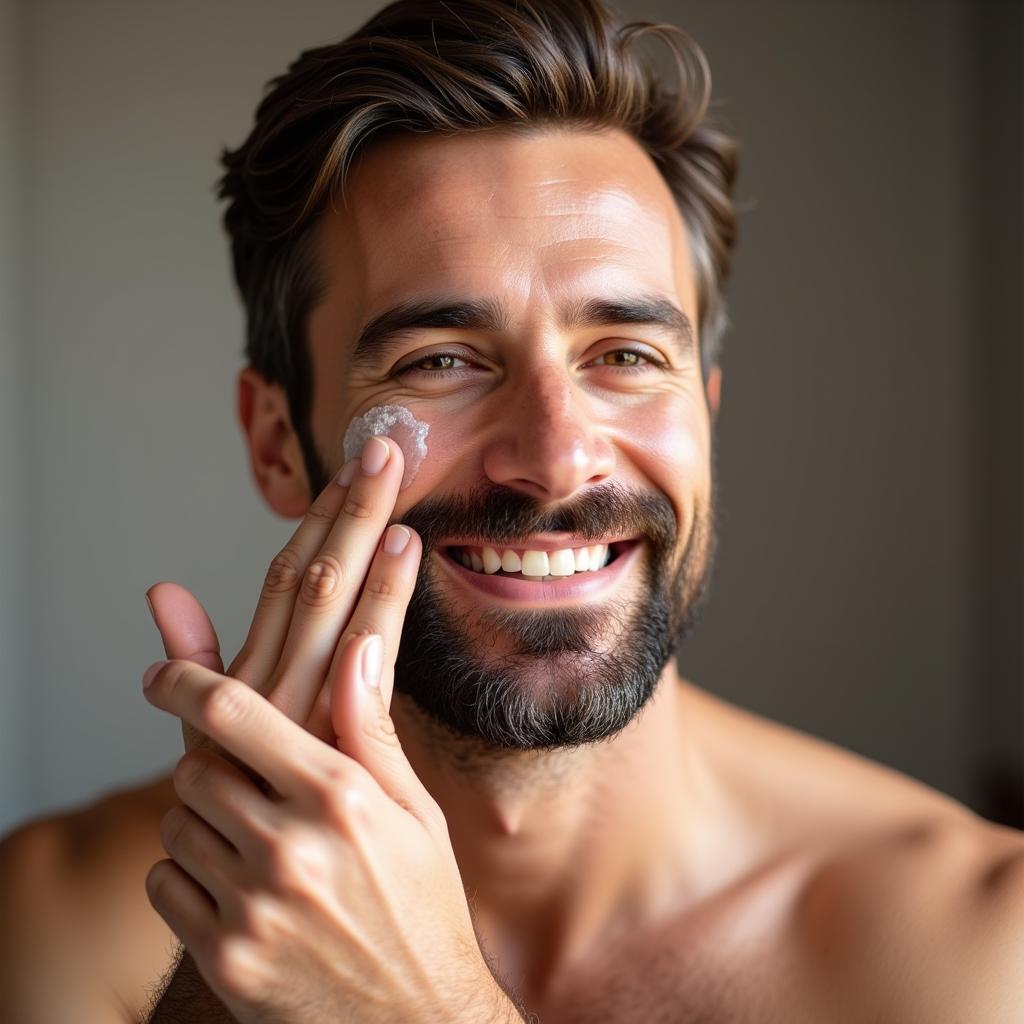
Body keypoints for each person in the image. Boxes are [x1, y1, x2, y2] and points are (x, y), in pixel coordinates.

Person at [2, 1, 1022, 1021]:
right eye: (439, 360)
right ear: (276, 441)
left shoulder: (978, 949)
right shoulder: (54, 920)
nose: (556, 458)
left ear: (703, 422)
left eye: (624, 356)